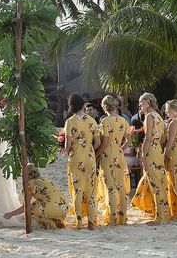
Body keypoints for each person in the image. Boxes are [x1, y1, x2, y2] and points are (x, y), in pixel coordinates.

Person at [131, 92, 170, 224]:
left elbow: (148, 138)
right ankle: (159, 211)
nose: (140, 105)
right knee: (158, 180)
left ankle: (161, 216)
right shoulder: (159, 116)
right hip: (158, 149)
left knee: (155, 182)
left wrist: (143, 154)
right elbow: (163, 137)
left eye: (141, 102)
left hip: (151, 151)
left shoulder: (149, 116)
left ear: (147, 102)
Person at [64, 92, 100, 229]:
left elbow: (67, 145)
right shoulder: (91, 120)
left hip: (75, 157)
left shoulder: (70, 122)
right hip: (90, 157)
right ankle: (91, 222)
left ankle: (79, 222)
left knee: (77, 190)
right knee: (91, 190)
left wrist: (66, 150)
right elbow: (97, 142)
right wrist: (90, 150)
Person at [94, 95, 129, 225]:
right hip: (119, 156)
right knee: (120, 187)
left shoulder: (105, 121)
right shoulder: (123, 121)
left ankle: (113, 218)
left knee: (110, 187)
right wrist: (120, 148)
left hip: (108, 156)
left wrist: (96, 155)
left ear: (104, 107)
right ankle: (122, 217)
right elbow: (129, 141)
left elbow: (104, 144)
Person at [3, 164, 70, 229]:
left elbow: (26, 206)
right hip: (65, 208)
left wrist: (10, 214)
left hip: (51, 208)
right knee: (41, 204)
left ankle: (48, 222)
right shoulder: (45, 180)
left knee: (32, 207)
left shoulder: (30, 184)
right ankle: (55, 220)